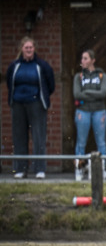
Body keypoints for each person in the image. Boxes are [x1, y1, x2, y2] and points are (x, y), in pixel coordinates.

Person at [6, 37, 54, 178]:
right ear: (22, 49)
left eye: (31, 47)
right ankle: (20, 169)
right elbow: (9, 82)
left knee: (38, 137)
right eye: (26, 47)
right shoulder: (14, 65)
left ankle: (39, 169)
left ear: (34, 49)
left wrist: (40, 97)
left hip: (36, 103)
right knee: (19, 137)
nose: (28, 50)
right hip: (18, 104)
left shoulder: (42, 65)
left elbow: (50, 84)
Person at [72, 49, 106, 181]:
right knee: (81, 142)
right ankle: (79, 169)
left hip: (99, 111)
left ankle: (102, 169)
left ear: (93, 60)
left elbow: (103, 93)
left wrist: (86, 92)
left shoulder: (102, 76)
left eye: (86, 58)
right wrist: (94, 94)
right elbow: (77, 94)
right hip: (83, 111)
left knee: (101, 142)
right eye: (82, 58)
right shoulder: (78, 77)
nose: (82, 61)